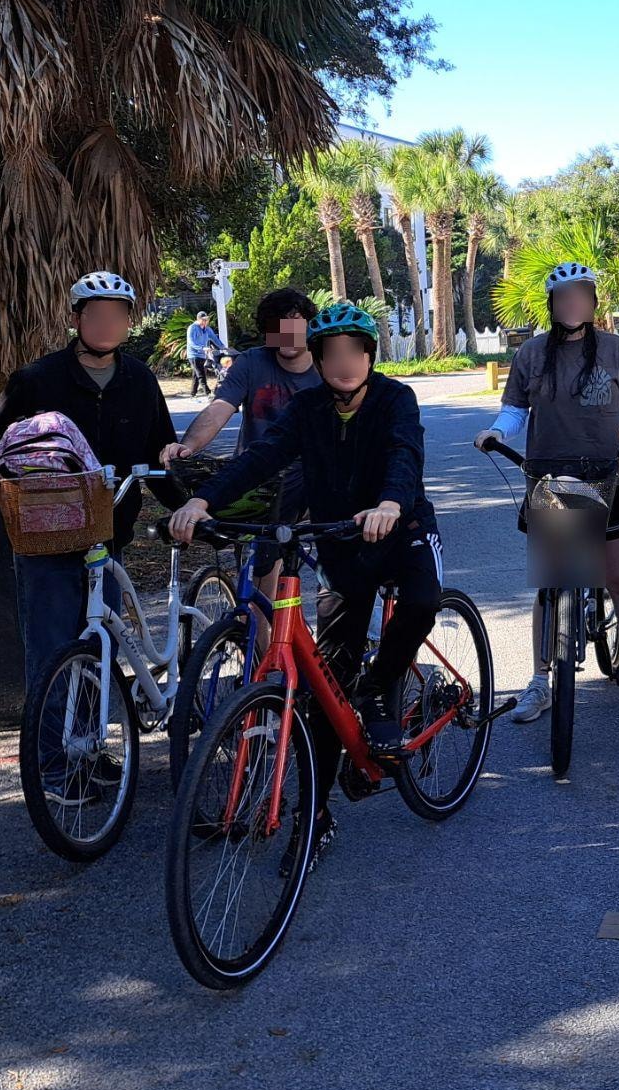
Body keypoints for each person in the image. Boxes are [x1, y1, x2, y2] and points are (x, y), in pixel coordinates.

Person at [167, 302, 442, 853]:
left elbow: (404, 455)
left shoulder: (395, 399)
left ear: (369, 356)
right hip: (340, 539)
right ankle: (312, 819)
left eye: (353, 352)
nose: (343, 363)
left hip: (401, 526)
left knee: (421, 601)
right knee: (324, 688)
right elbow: (261, 458)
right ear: (317, 360)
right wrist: (201, 500)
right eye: (332, 354)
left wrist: (389, 501)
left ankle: (381, 694)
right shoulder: (311, 408)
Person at [474, 263, 619, 719]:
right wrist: (495, 431)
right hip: (551, 476)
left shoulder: (615, 348)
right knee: (551, 584)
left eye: (581, 296)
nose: (573, 304)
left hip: (611, 474)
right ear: (552, 305)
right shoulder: (531, 353)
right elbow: (514, 411)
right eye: (564, 297)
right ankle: (539, 680)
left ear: (592, 303)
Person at [0, 271, 179, 691]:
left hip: (109, 533)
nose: (108, 324)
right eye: (97, 314)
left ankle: (92, 746)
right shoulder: (36, 378)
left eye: (118, 315)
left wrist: (188, 506)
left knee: (102, 645)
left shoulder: (140, 379)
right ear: (76, 320)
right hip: (45, 536)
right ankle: (51, 755)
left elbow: (159, 449)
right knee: (51, 653)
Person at [161, 287, 320, 521]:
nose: (286, 332)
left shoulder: (327, 367)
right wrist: (188, 447)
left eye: (294, 324)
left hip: (309, 478)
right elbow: (218, 410)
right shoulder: (251, 362)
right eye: (276, 325)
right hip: (255, 475)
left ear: (309, 327)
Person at [186, 311, 227, 398]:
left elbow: (215, 339)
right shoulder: (192, 328)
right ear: (198, 319)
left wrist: (223, 347)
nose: (205, 321)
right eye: (203, 320)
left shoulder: (207, 329)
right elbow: (191, 342)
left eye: (206, 319)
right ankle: (208, 393)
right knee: (201, 374)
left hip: (202, 355)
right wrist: (202, 348)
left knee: (196, 374)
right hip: (194, 355)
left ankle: (192, 394)